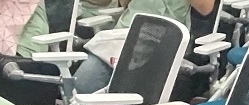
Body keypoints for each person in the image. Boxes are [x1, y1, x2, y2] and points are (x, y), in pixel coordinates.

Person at [73, 0, 215, 94]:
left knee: (128, 95)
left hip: (166, 38)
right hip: (126, 31)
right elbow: (124, 3)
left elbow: (206, 8)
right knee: (82, 86)